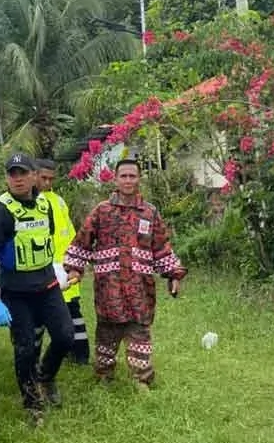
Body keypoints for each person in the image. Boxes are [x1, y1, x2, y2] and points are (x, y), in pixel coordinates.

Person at [64, 158, 187, 391]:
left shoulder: (149, 213)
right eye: (124, 176)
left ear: (139, 179)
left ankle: (142, 380)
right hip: (108, 289)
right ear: (116, 179)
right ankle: (103, 377)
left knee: (140, 331)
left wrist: (174, 275)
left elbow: (161, 248)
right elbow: (83, 241)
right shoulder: (102, 211)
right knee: (106, 334)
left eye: (132, 176)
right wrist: (74, 269)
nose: (128, 180)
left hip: (140, 290)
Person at [0, 153, 75, 426]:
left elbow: (48, 240)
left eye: (22, 173)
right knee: (25, 349)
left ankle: (46, 377)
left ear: (34, 175)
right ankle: (33, 403)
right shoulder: (1, 211)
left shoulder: (45, 205)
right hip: (16, 293)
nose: (17, 179)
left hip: (47, 286)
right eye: (12, 174)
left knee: (66, 337)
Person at [33, 158, 90, 364]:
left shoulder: (58, 201)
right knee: (43, 315)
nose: (48, 183)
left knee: (73, 311)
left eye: (51, 179)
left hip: (64, 267)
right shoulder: (29, 202)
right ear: (34, 175)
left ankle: (80, 354)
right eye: (43, 178)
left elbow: (71, 234)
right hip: (44, 269)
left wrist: (76, 262)